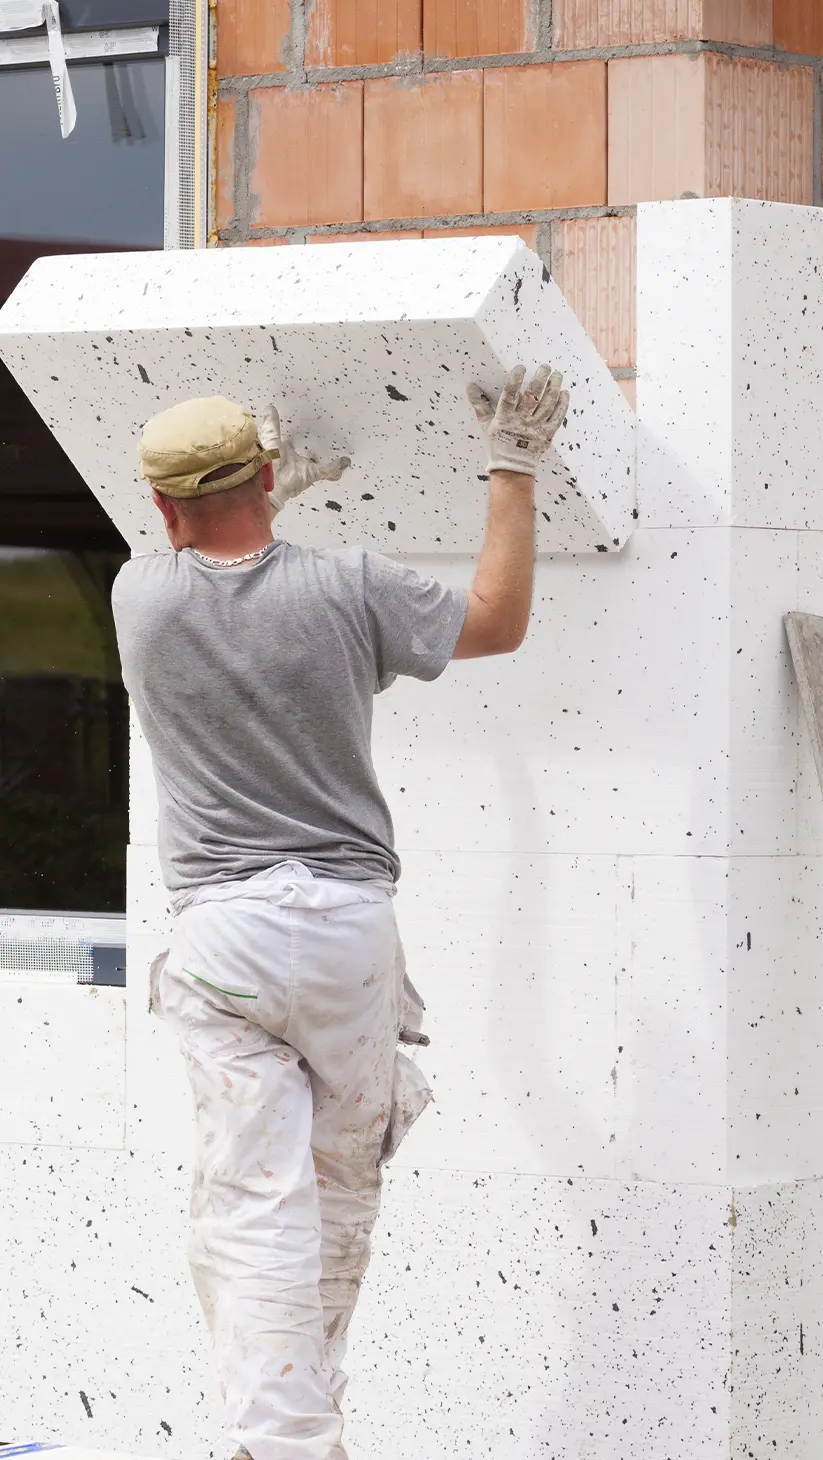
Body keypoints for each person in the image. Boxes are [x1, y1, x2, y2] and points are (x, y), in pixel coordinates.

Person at [111, 365, 568, 1460]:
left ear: (164, 510)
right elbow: (496, 621)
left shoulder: (141, 596)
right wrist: (512, 461)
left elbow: (210, 547)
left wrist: (268, 495)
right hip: (348, 938)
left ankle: (282, 1437)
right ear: (268, 478)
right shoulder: (352, 587)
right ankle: (293, 1432)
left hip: (225, 940)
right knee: (336, 1187)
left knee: (249, 1201)